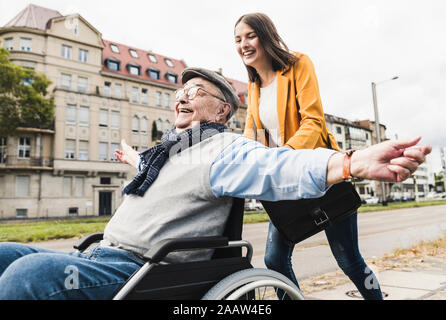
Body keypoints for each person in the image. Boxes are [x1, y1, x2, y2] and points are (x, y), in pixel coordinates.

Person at [0, 67, 430, 300]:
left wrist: (350, 162)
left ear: (223, 110)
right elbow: (158, 188)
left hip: (144, 269)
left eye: (197, 90)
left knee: (28, 276)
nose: (182, 95)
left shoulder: (224, 147)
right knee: (5, 254)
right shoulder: (167, 152)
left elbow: (277, 166)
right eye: (181, 90)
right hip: (101, 253)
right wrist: (135, 159)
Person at [234, 12, 385, 299]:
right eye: (238, 39)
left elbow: (313, 121)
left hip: (322, 173)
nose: (243, 44)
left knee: (349, 260)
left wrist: (285, 157)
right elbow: (252, 136)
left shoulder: (298, 64)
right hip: (286, 183)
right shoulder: (253, 88)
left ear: (266, 36)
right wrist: (236, 161)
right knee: (274, 260)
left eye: (250, 36)